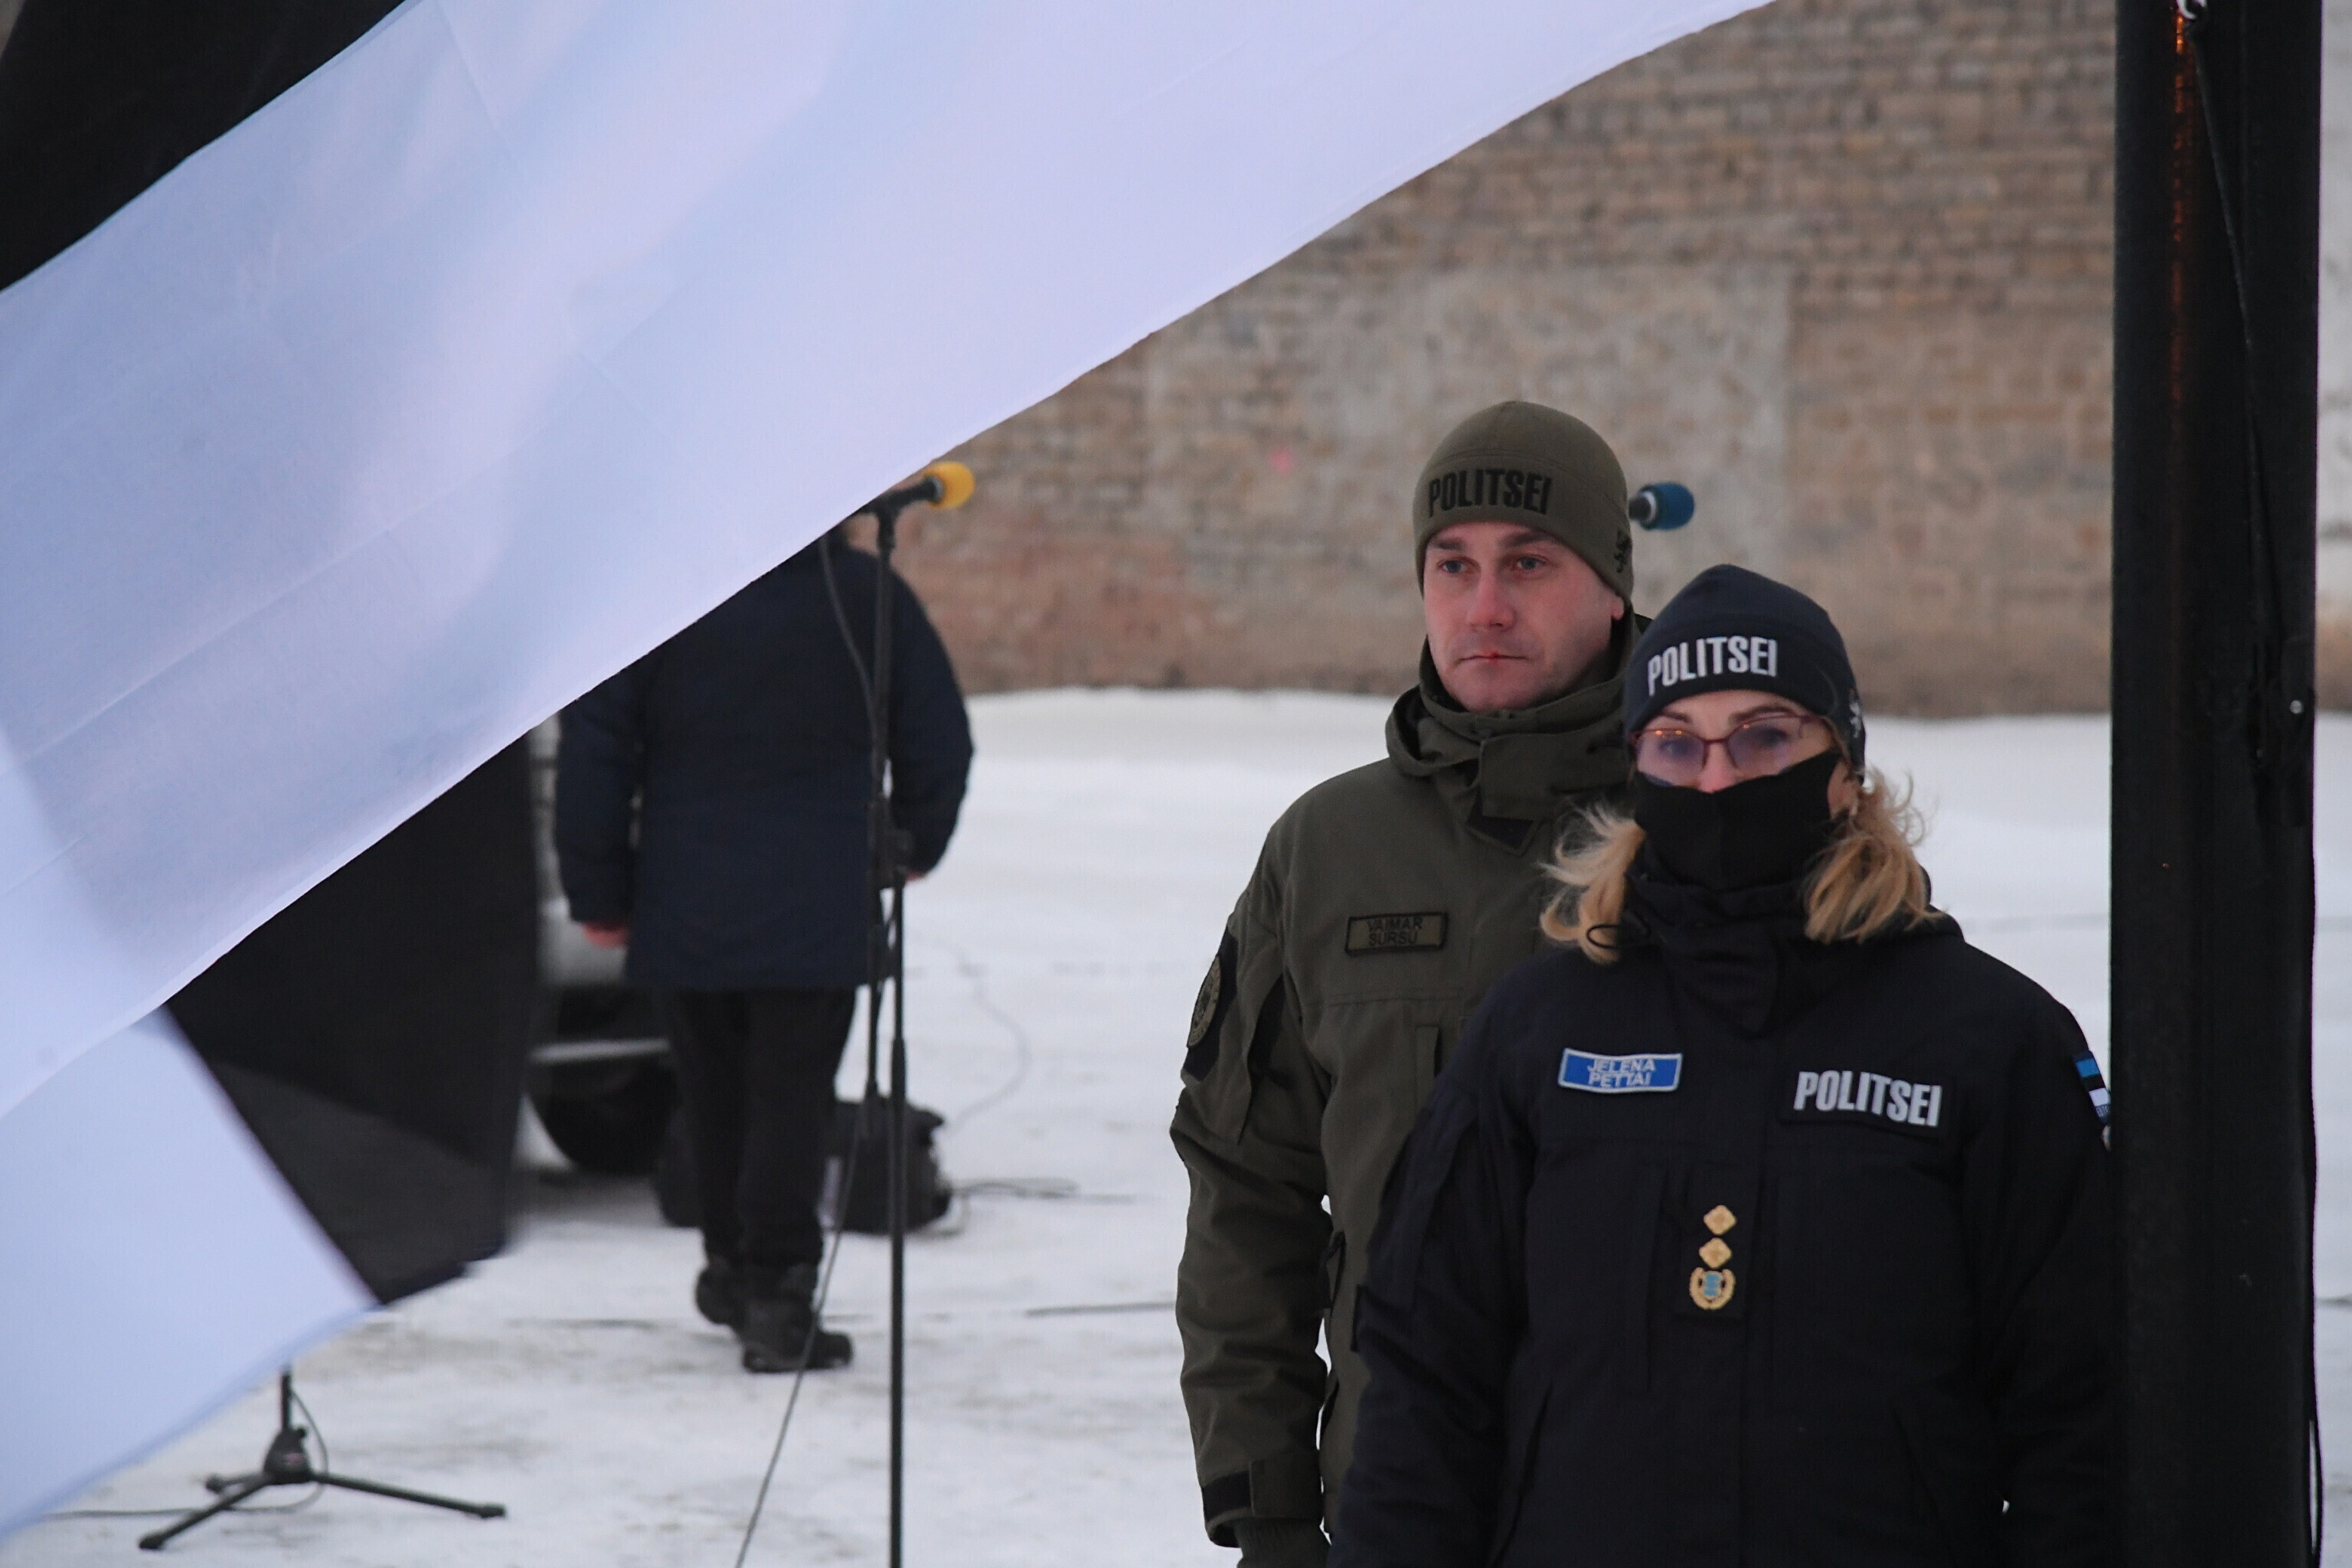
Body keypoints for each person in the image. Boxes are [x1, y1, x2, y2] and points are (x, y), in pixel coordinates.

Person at [1331, 565, 2111, 1566]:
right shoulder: (1538, 1030)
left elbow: (2080, 1412)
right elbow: (1426, 1379)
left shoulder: (1988, 1040)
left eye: (1763, 738)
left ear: (1845, 765)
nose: (1717, 778)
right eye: (1677, 743)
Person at [1172, 402, 1645, 1566]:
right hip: (1396, 1498)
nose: (1484, 608)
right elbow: (1247, 1190)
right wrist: (1266, 1502)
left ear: (1613, 587)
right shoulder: (1328, 851)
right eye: (1452, 566)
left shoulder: (1709, 819)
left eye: (1528, 564)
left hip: (1662, 1499)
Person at [556, 529, 972, 1374]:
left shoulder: (659, 593)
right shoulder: (865, 594)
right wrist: (915, 839)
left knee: (711, 1094)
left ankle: (732, 1269)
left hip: (686, 894)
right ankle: (778, 1289)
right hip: (818, 895)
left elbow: (596, 745)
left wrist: (598, 889)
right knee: (793, 1100)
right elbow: (937, 734)